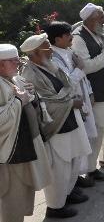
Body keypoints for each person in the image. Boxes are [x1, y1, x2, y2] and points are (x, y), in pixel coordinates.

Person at [21, 34, 92, 218]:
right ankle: (55, 207)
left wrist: (71, 100)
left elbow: (66, 87)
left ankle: (66, 194)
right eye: (47, 47)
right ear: (36, 53)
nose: (51, 50)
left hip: (69, 119)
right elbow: (43, 102)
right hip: (56, 126)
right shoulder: (30, 74)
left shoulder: (49, 65)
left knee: (73, 161)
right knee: (60, 168)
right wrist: (71, 103)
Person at [0, 43, 52, 222]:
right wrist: (18, 101)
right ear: (0, 64)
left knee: (22, 196)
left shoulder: (14, 78)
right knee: (11, 199)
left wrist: (32, 94)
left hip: (24, 149)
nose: (18, 63)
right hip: (9, 157)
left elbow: (29, 100)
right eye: (13, 61)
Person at [72, 3, 104, 178]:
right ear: (90, 19)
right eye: (100, 17)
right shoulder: (78, 38)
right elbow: (86, 67)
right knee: (98, 130)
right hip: (96, 91)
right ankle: (91, 169)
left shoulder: (97, 32)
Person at [47, 21, 97, 188]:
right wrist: (80, 68)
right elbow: (67, 82)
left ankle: (81, 174)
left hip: (82, 99)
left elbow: (82, 78)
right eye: (67, 35)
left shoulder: (69, 51)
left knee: (85, 140)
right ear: (57, 39)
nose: (71, 37)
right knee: (76, 144)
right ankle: (72, 183)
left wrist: (90, 92)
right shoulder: (54, 58)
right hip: (71, 105)